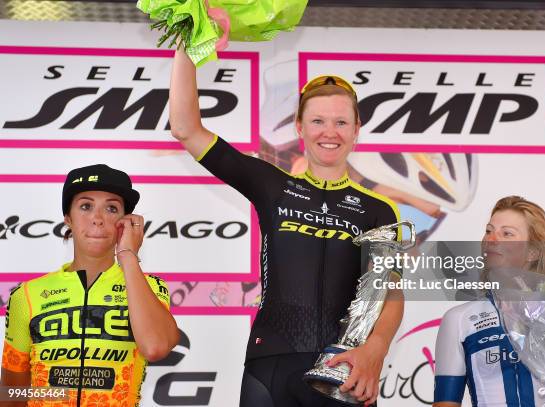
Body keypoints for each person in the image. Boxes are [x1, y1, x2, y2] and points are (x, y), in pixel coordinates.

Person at [169, 47, 404, 406]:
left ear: (357, 130)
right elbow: (186, 129)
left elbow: (390, 292)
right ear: (299, 127)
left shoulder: (379, 210)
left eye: (341, 122)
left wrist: (376, 349)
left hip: (343, 369)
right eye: (318, 121)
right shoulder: (272, 185)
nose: (330, 132)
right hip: (270, 366)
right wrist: (188, 46)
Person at [1, 164, 180, 407]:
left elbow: (155, 347)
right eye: (85, 206)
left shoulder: (149, 287)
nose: (97, 218)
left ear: (124, 222)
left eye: (111, 208)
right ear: (68, 218)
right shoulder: (28, 295)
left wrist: (127, 255)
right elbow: (12, 395)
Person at [433, 195, 545, 407]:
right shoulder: (460, 319)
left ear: (533, 251)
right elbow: (445, 404)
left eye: (507, 234)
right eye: (488, 231)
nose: (491, 239)